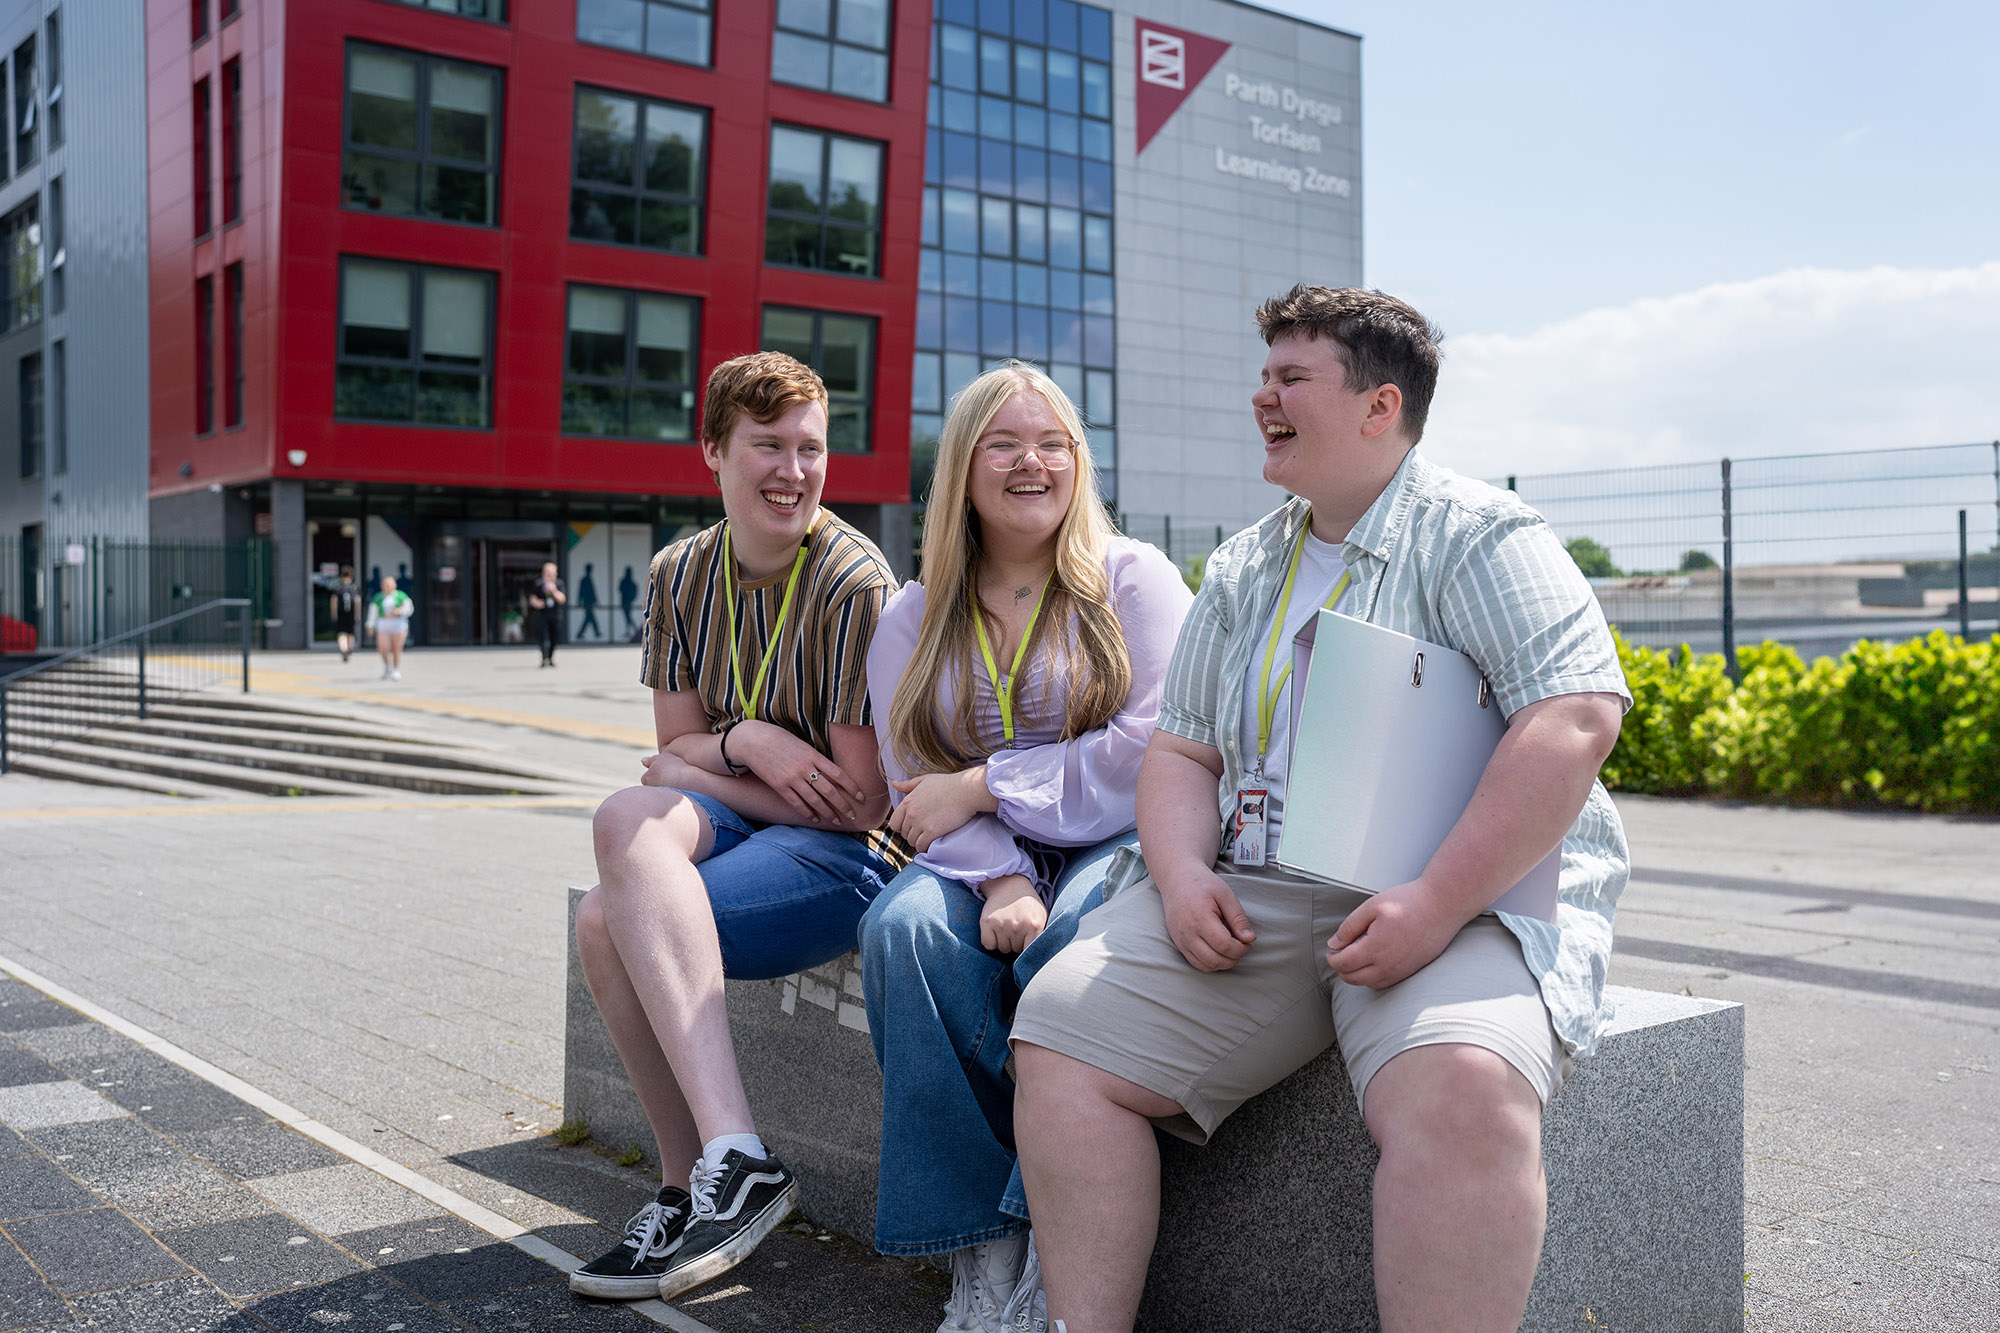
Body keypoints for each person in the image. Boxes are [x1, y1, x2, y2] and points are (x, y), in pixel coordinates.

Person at [1010, 286, 1632, 1332]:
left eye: (1290, 377)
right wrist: (1181, 875)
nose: (1262, 396)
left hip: (1451, 895)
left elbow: (1572, 719)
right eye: (1262, 376)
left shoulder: (1480, 536)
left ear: (1378, 406)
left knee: (1467, 1085)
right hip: (1261, 884)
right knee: (1063, 1033)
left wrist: (1433, 903)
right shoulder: (1249, 561)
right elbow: (1180, 749)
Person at [859, 364, 1190, 1332]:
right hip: (974, 855)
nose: (1030, 462)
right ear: (962, 466)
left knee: (1077, 937)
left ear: (1078, 462)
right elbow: (912, 788)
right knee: (902, 931)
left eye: (1051, 442)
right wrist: (1001, 870)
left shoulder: (1134, 579)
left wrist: (989, 781)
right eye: (1002, 443)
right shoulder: (912, 615)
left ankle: (1058, 1222)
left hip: (1114, 837)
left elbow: (1150, 749)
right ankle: (980, 1242)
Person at [569, 351, 905, 1304]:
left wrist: (711, 760)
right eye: (767, 445)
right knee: (620, 823)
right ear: (713, 449)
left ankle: (725, 1169)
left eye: (811, 447)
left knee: (609, 917)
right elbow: (668, 753)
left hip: (847, 860)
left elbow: (859, 804)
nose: (792, 471)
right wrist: (755, 740)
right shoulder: (681, 573)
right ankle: (701, 1182)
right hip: (759, 820)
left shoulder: (852, 580)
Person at [368, 575, 412, 681]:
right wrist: (370, 625)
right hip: (383, 624)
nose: (387, 586)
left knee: (397, 648)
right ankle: (387, 666)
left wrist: (398, 612)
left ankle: (396, 669)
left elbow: (409, 609)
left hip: (398, 624)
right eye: (385, 584)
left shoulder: (401, 596)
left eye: (389, 584)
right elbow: (372, 613)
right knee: (383, 648)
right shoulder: (378, 597)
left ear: (394, 585)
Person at [530, 562, 567, 667]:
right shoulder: (538, 584)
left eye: (551, 573)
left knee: (554, 638)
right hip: (543, 615)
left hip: (555, 615)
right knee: (544, 637)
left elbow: (562, 599)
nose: (549, 575)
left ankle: (550, 658)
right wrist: (537, 603)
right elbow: (532, 598)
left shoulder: (559, 584)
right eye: (547, 573)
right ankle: (544, 658)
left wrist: (553, 590)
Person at [330, 566, 361, 662]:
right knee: (350, 633)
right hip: (351, 613)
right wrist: (357, 614)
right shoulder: (354, 587)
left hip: (341, 613)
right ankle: (350, 650)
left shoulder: (338, 587)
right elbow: (357, 601)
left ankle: (344, 649)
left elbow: (334, 601)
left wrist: (334, 614)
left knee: (341, 633)